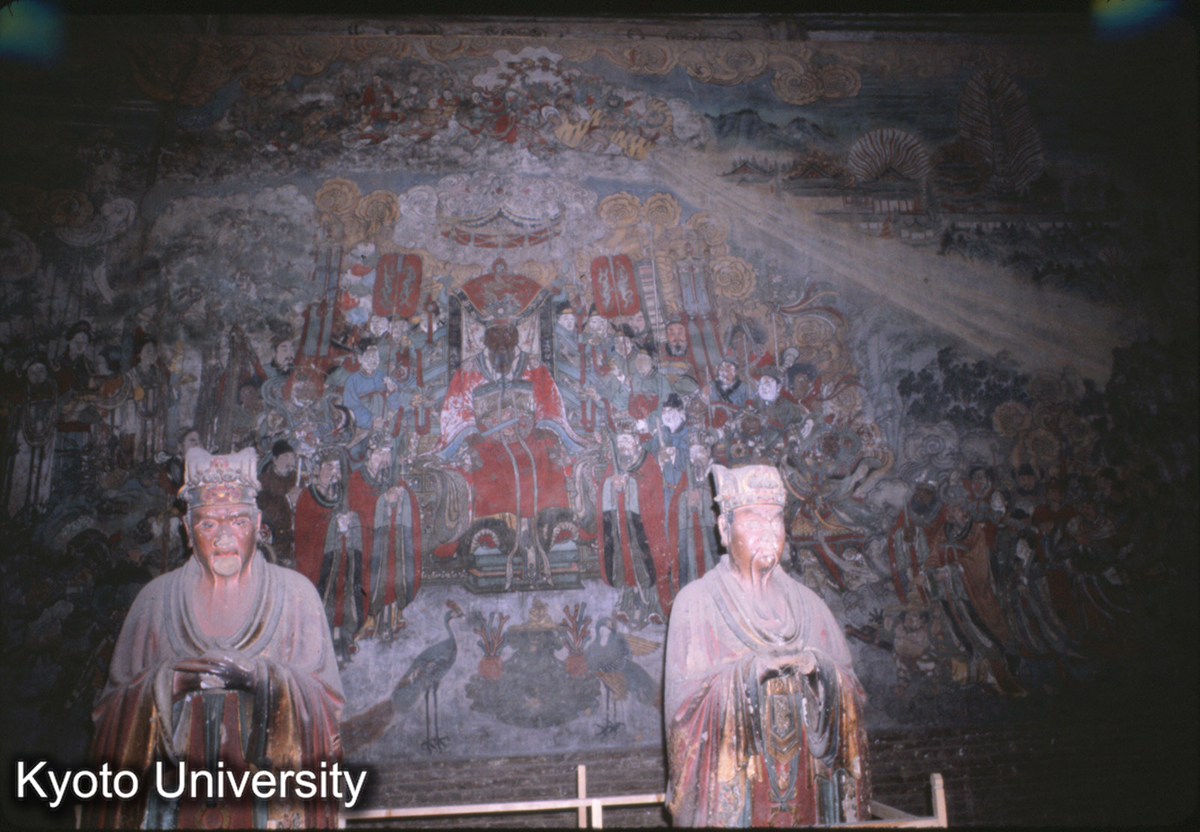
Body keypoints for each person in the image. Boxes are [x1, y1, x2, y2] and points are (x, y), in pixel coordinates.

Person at [87, 447, 344, 828]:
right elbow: (109, 716)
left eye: (238, 521)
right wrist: (168, 685)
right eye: (208, 524)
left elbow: (328, 707)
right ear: (187, 531)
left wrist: (262, 680)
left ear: (258, 524)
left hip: (267, 804)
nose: (224, 537)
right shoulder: (154, 601)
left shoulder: (296, 596)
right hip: (172, 803)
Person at [665, 464, 870, 827]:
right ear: (724, 529)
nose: (768, 533)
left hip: (808, 795)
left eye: (776, 520)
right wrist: (746, 675)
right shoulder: (695, 603)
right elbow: (682, 714)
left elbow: (855, 692)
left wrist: (820, 670)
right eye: (753, 520)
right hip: (740, 799)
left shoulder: (811, 607)